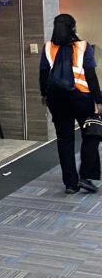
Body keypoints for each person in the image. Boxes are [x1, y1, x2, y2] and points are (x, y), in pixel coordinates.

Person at [40, 13, 102, 194]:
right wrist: (99, 100)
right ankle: (85, 176)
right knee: (91, 134)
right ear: (73, 28)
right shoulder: (83, 46)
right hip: (81, 97)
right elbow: (90, 76)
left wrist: (45, 96)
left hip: (57, 100)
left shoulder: (47, 48)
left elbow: (43, 76)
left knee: (65, 140)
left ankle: (70, 183)